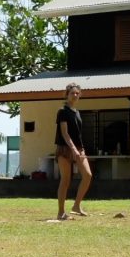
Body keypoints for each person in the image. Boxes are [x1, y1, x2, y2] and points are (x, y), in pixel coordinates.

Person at [55, 82, 92, 220]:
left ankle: (76, 205)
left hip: (79, 148)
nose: (75, 95)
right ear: (67, 95)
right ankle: (61, 213)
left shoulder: (77, 113)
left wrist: (79, 150)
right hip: (64, 148)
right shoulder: (62, 111)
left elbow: (77, 134)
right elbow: (65, 134)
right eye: (72, 93)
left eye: (77, 93)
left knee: (87, 175)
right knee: (65, 180)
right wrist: (74, 150)